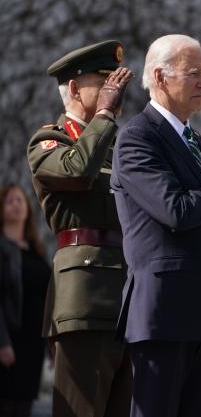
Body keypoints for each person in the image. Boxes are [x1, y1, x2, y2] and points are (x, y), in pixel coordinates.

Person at [110, 34, 201, 417]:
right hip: (163, 318)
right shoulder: (137, 138)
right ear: (159, 77)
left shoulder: (195, 140)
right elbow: (175, 210)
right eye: (193, 73)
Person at [26, 40, 134, 417]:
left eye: (117, 83)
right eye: (104, 83)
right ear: (73, 88)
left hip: (130, 297)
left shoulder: (118, 148)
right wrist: (104, 113)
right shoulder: (50, 140)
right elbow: (77, 171)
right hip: (84, 299)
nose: (115, 91)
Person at [0, 184, 50, 417]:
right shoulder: (2, 248)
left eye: (20, 200)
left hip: (33, 343)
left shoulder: (36, 250)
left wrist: (51, 344)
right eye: (10, 201)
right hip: (9, 340)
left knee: (24, 407)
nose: (16, 205)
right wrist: (2, 343)